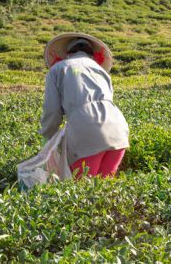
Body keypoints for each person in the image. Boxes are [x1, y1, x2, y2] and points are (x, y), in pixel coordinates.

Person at [40, 33, 129, 178]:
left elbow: (52, 110)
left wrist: (48, 136)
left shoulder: (58, 69)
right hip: (118, 128)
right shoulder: (101, 71)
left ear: (68, 54)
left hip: (86, 129)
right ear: (92, 55)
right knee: (103, 188)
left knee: (82, 188)